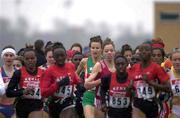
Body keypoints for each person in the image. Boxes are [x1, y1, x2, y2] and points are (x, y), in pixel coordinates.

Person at [41, 42, 81, 118]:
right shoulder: (49, 71)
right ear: (54, 57)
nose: (60, 58)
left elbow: (76, 80)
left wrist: (81, 86)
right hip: (55, 104)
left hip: (68, 101)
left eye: (62, 55)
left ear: (66, 55)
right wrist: (58, 84)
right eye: (57, 56)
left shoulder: (71, 66)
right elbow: (44, 92)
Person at [131, 43, 170, 118]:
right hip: (137, 103)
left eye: (147, 50)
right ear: (138, 53)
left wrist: (150, 82)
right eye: (141, 50)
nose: (144, 52)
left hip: (152, 104)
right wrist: (130, 87)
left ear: (151, 52)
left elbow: (168, 88)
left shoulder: (157, 68)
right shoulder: (134, 67)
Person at [6, 47, 44, 118]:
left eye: (32, 58)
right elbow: (9, 92)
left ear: (36, 58)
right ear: (24, 60)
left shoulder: (43, 72)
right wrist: (23, 91)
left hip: (37, 105)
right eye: (27, 59)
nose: (30, 61)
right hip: (22, 106)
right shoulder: (18, 73)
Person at [84, 38, 116, 118]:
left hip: (114, 100)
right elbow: (86, 84)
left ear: (114, 51)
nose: (109, 53)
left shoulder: (118, 65)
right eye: (106, 51)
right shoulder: (99, 65)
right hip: (100, 100)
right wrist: (100, 81)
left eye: (111, 50)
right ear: (102, 52)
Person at [76, 35, 102, 118]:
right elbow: (75, 75)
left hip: (100, 96)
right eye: (93, 47)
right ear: (90, 48)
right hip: (88, 95)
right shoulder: (85, 61)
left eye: (97, 48)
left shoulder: (105, 62)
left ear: (101, 49)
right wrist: (79, 86)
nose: (95, 50)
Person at [100, 53, 133, 118]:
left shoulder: (131, 78)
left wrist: (130, 91)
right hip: (113, 112)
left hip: (127, 112)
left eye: (122, 64)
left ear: (126, 64)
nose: (120, 66)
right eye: (118, 64)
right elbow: (103, 89)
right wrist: (103, 103)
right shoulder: (108, 77)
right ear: (115, 65)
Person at [0, 46, 16, 118]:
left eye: (11, 55)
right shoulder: (0, 71)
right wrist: (6, 85)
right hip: (1, 107)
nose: (9, 57)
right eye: (6, 55)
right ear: (3, 57)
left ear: (14, 57)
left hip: (14, 107)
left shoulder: (19, 72)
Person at [168, 51, 180, 118]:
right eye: (175, 60)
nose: (178, 62)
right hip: (174, 110)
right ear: (171, 61)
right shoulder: (168, 75)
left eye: (179, 59)